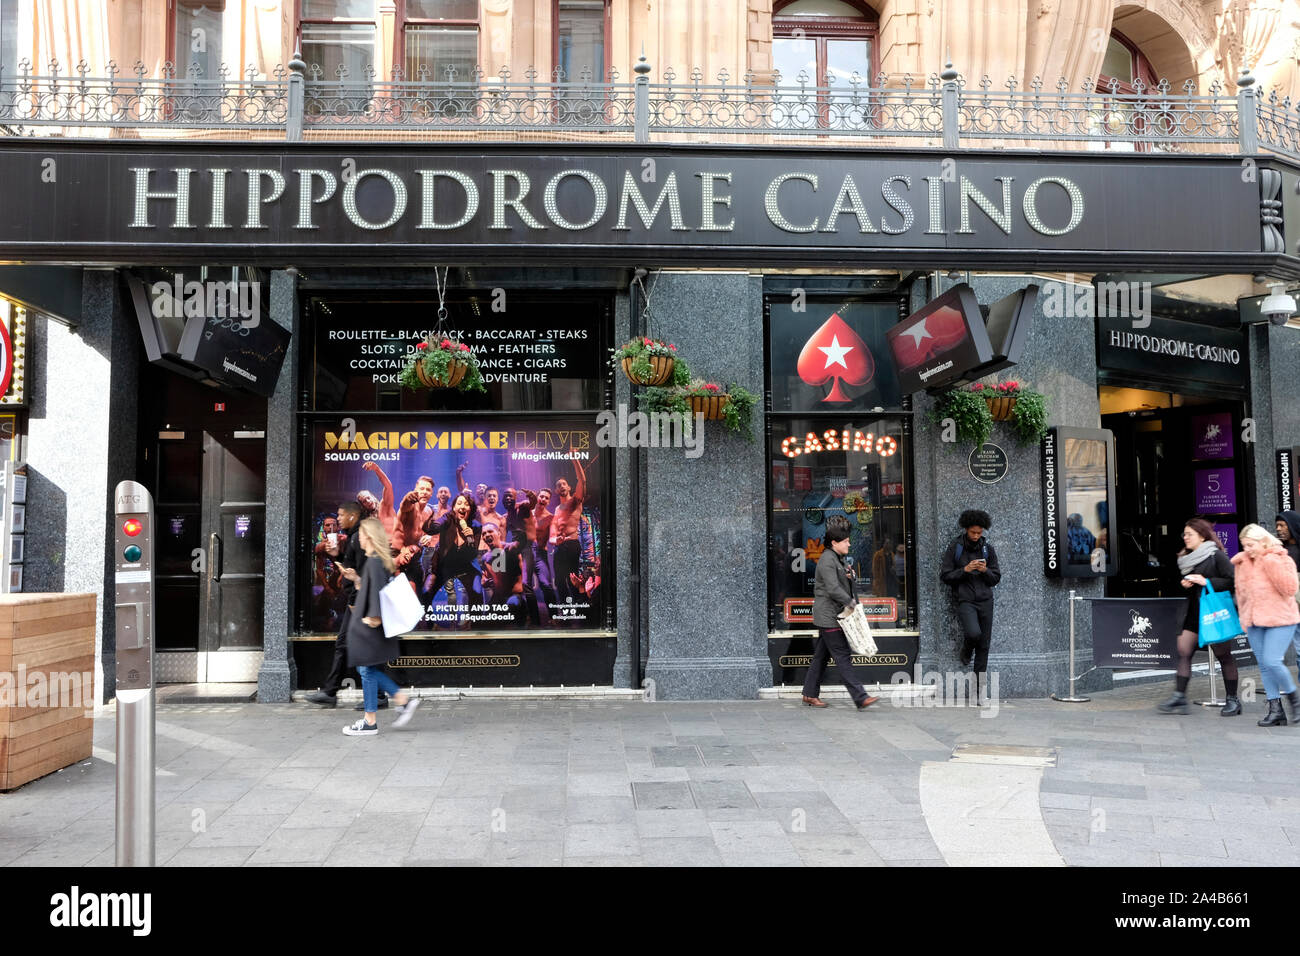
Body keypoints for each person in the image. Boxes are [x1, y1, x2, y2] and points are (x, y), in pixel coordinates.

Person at [342, 517, 422, 736]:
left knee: (366, 670)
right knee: (368, 669)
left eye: (360, 534)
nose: (358, 537)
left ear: (368, 536)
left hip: (371, 627)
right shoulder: (374, 561)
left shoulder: (375, 561)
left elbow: (377, 590)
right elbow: (371, 587)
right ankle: (395, 705)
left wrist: (374, 617)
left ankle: (374, 718)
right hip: (371, 626)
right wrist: (357, 580)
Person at [1155, 518, 1241, 716]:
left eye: (1189, 534)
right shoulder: (1187, 557)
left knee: (1223, 655)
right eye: (1184, 534)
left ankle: (1233, 700)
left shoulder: (1215, 555)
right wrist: (1187, 583)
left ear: (1202, 536)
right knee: (1183, 650)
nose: (1185, 538)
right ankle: (1179, 696)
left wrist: (1206, 581)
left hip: (1214, 613)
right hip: (1193, 613)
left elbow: (1233, 580)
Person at [802, 514, 879, 711]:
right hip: (829, 617)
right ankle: (860, 697)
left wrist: (850, 575)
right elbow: (832, 589)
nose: (849, 544)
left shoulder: (837, 558)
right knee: (843, 655)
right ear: (834, 542)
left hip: (833, 616)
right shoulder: (827, 560)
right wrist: (851, 602)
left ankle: (809, 694)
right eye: (845, 541)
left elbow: (841, 583)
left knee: (821, 656)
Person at [1233, 524, 1300, 727]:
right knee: (1264, 665)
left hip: (1280, 619)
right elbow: (1241, 593)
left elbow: (1290, 588)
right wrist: (1244, 616)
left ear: (1263, 541)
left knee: (1272, 660)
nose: (1247, 550)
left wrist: (1269, 562)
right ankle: (1275, 710)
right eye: (1244, 545)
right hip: (1254, 620)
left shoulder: (1280, 558)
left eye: (1251, 545)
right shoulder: (1242, 562)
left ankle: (1294, 698)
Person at [306, 502, 366, 709]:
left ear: (352, 515)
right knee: (347, 644)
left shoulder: (359, 538)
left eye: (341, 516)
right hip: (356, 599)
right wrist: (336, 556)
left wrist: (354, 598)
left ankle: (334, 691)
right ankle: (331, 691)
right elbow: (352, 567)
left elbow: (365, 571)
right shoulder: (353, 537)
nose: (338, 520)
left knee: (352, 645)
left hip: (359, 600)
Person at [939, 509, 1001, 704]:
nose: (976, 536)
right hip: (965, 600)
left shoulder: (987, 549)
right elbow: (945, 576)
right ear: (966, 529)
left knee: (984, 646)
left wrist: (984, 571)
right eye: (973, 532)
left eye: (979, 532)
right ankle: (966, 650)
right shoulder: (956, 547)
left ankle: (978, 691)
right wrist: (964, 570)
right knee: (974, 634)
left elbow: (996, 577)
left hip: (986, 601)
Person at [549, 450, 587, 607]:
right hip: (559, 547)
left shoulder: (575, 501)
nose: (561, 486)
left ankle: (578, 606)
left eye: (563, 484)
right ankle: (565, 608)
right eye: (558, 485)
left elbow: (582, 481)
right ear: (556, 491)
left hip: (572, 544)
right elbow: (552, 534)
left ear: (569, 487)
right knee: (559, 580)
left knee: (572, 578)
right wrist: (554, 541)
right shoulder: (557, 509)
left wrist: (575, 459)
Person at [1277, 511, 1300, 682]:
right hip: (1287, 608)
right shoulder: (1280, 551)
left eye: (1282, 525)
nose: (1279, 529)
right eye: (1277, 525)